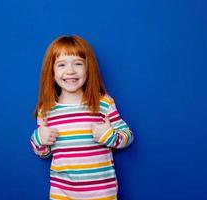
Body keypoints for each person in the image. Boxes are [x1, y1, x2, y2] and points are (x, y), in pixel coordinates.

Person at [30, 35, 134, 200]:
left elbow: (128, 136)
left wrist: (110, 137)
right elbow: (44, 154)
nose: (70, 70)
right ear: (51, 72)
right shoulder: (46, 111)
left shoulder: (103, 103)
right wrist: (39, 140)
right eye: (61, 64)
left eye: (78, 63)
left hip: (102, 194)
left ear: (88, 69)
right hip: (62, 194)